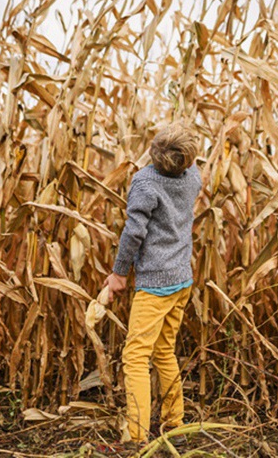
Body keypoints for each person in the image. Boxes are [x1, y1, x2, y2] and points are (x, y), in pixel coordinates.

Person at [104, 123, 202, 444]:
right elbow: (186, 160)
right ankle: (175, 423)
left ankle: (135, 437)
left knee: (135, 356)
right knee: (164, 351)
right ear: (186, 161)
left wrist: (119, 273)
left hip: (156, 286)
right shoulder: (193, 177)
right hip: (182, 279)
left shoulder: (145, 182)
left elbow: (133, 232)